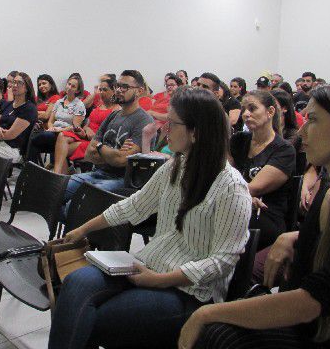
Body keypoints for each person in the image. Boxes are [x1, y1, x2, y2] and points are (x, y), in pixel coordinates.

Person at [179, 82, 330, 349]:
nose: (302, 131)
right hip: (318, 330)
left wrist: (207, 313)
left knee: (217, 330)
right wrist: (297, 236)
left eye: (313, 120)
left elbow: (308, 303)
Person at [48, 87, 252, 349]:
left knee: (95, 319)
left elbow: (223, 260)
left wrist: (160, 280)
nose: (164, 129)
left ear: (195, 132)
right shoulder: (175, 166)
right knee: (75, 283)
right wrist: (83, 230)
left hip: (188, 292)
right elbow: (134, 206)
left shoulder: (231, 186)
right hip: (149, 266)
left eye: (172, 123)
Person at [61, 70, 154, 205]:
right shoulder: (113, 115)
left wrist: (99, 147)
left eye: (125, 87)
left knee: (76, 205)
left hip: (122, 180)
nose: (119, 90)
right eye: (118, 86)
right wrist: (113, 153)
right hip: (97, 173)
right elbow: (88, 154)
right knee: (56, 191)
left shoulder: (144, 121)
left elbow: (122, 160)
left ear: (139, 91)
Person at [230, 90, 296, 250]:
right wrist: (246, 198)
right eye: (244, 109)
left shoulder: (284, 150)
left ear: (270, 111)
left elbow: (255, 188)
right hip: (234, 208)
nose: (246, 114)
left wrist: (242, 195)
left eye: (252, 109)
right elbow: (219, 176)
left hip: (264, 216)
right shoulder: (238, 140)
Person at [51, 78, 120, 174]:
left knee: (61, 151)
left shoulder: (116, 109)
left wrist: (89, 135)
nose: (101, 92)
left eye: (105, 90)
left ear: (114, 91)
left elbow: (109, 135)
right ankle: (60, 175)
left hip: (97, 142)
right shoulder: (99, 106)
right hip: (86, 136)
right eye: (100, 90)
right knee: (62, 136)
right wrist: (84, 130)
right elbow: (87, 124)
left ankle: (58, 175)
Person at [28, 76, 87, 164]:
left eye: (73, 86)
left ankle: (36, 168)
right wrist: (51, 128)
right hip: (53, 131)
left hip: (67, 133)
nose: (69, 87)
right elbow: (50, 121)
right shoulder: (59, 102)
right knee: (34, 142)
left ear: (78, 90)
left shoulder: (79, 105)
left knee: (37, 138)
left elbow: (75, 128)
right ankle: (32, 169)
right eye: (69, 84)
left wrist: (59, 130)